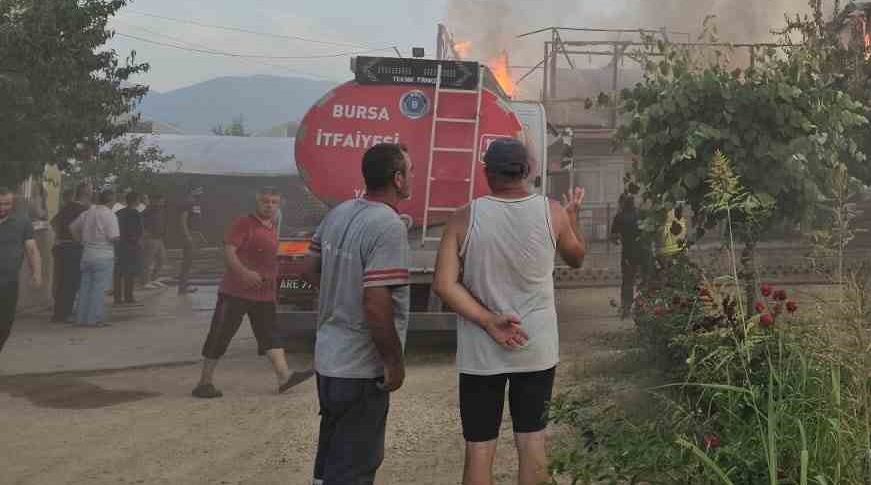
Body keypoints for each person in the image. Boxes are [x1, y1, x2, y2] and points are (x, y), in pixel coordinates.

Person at [434, 139, 588, 485]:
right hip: (535, 347)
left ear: (486, 171)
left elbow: (444, 285)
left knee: (479, 447)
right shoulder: (552, 212)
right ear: (529, 170)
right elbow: (577, 257)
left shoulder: (464, 217)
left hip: (480, 351)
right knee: (532, 440)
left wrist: (488, 320)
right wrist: (572, 216)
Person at [308, 143, 413, 485]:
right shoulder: (388, 225)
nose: (411, 177)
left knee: (330, 461)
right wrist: (394, 362)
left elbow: (310, 266)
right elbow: (375, 303)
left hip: (328, 360)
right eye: (408, 171)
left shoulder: (339, 212)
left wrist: (338, 296)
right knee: (354, 468)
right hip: (360, 369)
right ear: (397, 179)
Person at [191, 188, 313, 399]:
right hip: (235, 292)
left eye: (274, 202)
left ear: (279, 205)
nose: (269, 205)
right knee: (220, 334)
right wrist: (244, 273)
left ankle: (284, 378)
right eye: (265, 201)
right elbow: (229, 252)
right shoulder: (243, 223)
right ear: (257, 202)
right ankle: (204, 383)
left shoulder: (272, 227)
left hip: (264, 295)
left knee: (270, 336)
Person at [0, 188, 45, 354]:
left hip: (8, 283)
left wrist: (37, 273)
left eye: (7, 204)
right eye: (0, 204)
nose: (3, 207)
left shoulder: (22, 222)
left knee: (5, 324)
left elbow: (32, 249)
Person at [70, 189, 120, 328]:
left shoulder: (88, 212)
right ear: (110, 200)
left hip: (87, 254)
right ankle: (95, 319)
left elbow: (72, 228)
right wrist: (117, 252)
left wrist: (81, 242)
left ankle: (81, 319)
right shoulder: (109, 215)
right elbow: (114, 237)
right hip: (103, 255)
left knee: (85, 287)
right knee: (99, 289)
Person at [51, 185, 90, 323]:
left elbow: (53, 223)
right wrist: (78, 239)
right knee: (71, 282)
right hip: (74, 248)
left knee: (61, 281)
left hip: (61, 247)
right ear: (86, 194)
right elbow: (82, 230)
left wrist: (59, 237)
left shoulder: (66, 207)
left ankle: (58, 313)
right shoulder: (83, 210)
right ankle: (65, 314)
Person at [608, 192, 644, 317]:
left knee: (628, 281)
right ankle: (643, 307)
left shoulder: (619, 216)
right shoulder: (640, 214)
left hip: (628, 254)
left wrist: (618, 239)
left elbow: (613, 238)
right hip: (642, 252)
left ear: (622, 203)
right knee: (643, 280)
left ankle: (626, 308)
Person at [114, 190, 145, 306]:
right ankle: (128, 296)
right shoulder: (135, 213)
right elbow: (134, 232)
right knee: (129, 273)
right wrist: (138, 242)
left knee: (118, 273)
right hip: (131, 246)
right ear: (136, 200)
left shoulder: (118, 213)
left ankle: (117, 298)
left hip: (118, 245)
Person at [174, 187, 202, 294]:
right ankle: (182, 287)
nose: (201, 192)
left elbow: (194, 220)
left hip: (194, 234)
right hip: (189, 235)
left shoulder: (194, 202)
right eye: (199, 190)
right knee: (187, 261)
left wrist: (198, 233)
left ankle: (184, 286)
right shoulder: (188, 202)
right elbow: (183, 220)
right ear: (192, 190)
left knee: (189, 262)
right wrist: (187, 235)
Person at [142, 194, 168, 287]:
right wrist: (145, 233)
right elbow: (141, 222)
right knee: (148, 261)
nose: (163, 202)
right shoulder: (148, 210)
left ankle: (154, 279)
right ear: (156, 200)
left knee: (161, 260)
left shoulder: (161, 210)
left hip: (160, 238)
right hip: (151, 238)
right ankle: (146, 282)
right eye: (162, 200)